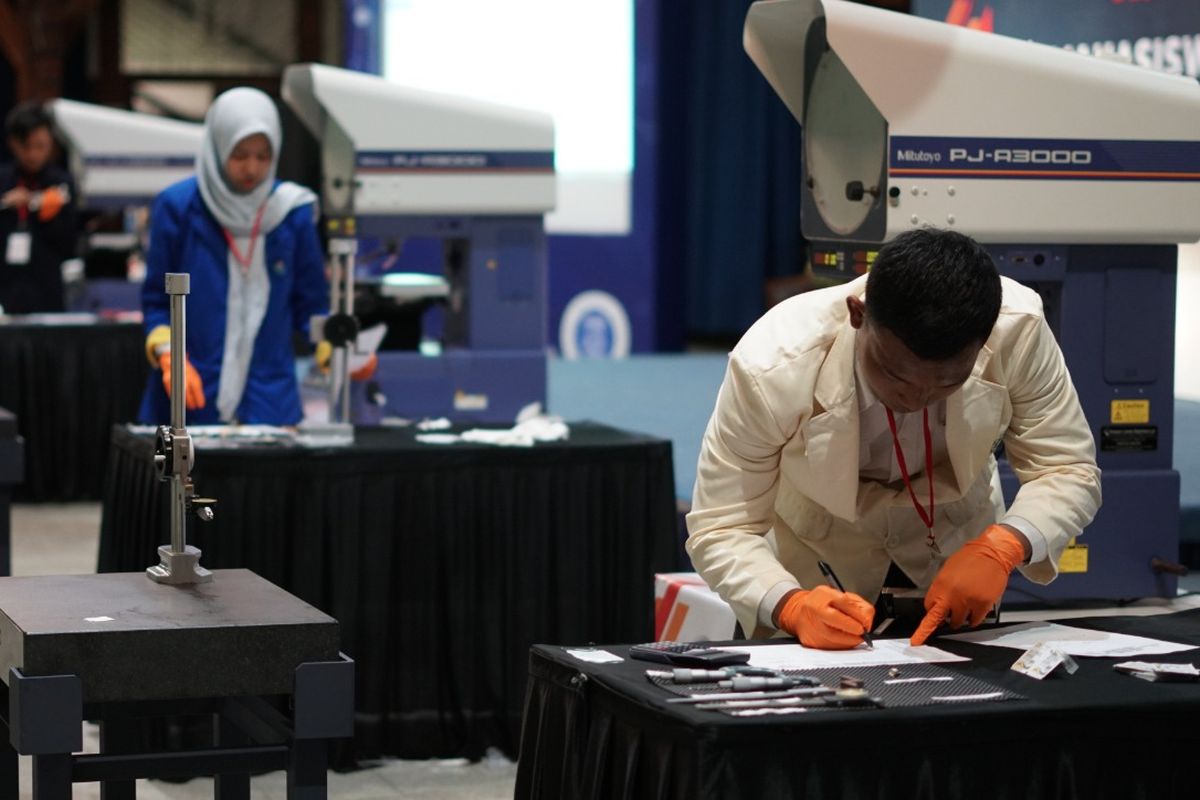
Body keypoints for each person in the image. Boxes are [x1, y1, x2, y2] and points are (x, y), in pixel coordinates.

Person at [686, 228, 1101, 649]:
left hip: (957, 552)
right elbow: (722, 525)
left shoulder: (1018, 330)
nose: (914, 398)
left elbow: (1068, 468)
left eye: (947, 383)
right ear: (857, 314)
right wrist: (788, 603)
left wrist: (1007, 545)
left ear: (985, 340)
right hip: (815, 564)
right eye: (893, 373)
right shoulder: (771, 364)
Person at [139, 87, 331, 425]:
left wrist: (337, 347)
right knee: (175, 477)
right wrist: (169, 356)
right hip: (190, 394)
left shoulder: (292, 211)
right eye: (240, 154)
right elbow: (157, 301)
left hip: (269, 403)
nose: (252, 168)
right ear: (217, 148)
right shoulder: (177, 207)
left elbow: (312, 304)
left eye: (263, 155)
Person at [0, 101, 78, 314]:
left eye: (40, 146)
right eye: (26, 147)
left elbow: (69, 243)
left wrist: (43, 207)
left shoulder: (61, 183)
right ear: (13, 143)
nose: (33, 155)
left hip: (46, 290)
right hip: (6, 287)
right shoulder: (4, 181)